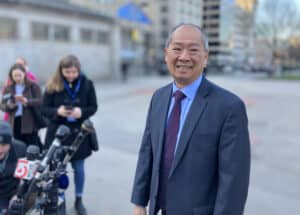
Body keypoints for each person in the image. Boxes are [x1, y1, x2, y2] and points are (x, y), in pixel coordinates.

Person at [131, 24, 251, 215]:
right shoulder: (159, 98)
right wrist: (139, 202)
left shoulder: (229, 107)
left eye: (193, 50)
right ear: (166, 53)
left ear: (205, 57)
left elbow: (233, 181)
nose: (184, 57)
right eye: (177, 49)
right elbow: (147, 153)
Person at [42, 55, 98, 215]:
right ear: (61, 71)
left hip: (79, 134)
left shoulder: (87, 84)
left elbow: (93, 107)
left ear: (78, 70)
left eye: (74, 72)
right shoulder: (53, 85)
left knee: (79, 168)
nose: (71, 75)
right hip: (58, 134)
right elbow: (44, 109)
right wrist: (57, 111)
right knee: (58, 170)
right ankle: (59, 199)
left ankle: (79, 199)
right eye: (67, 72)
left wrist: (82, 112)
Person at [0, 64, 43, 150]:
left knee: (32, 147)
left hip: (30, 122)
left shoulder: (33, 86)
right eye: (15, 75)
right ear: (11, 76)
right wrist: (11, 105)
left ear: (24, 74)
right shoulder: (8, 88)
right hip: (15, 122)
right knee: (18, 147)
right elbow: (3, 106)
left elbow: (40, 101)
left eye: (20, 75)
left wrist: (27, 101)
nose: (18, 78)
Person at [0, 120, 26, 213]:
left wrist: (17, 195)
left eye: (3, 145)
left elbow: (24, 178)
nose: (0, 149)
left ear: (10, 143)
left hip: (13, 191)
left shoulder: (20, 149)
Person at [2, 57, 38, 122]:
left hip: (28, 117)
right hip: (12, 116)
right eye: (17, 64)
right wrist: (10, 103)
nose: (18, 78)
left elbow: (38, 99)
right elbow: (4, 100)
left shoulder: (31, 78)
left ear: (25, 65)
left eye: (21, 64)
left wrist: (27, 101)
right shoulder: (10, 79)